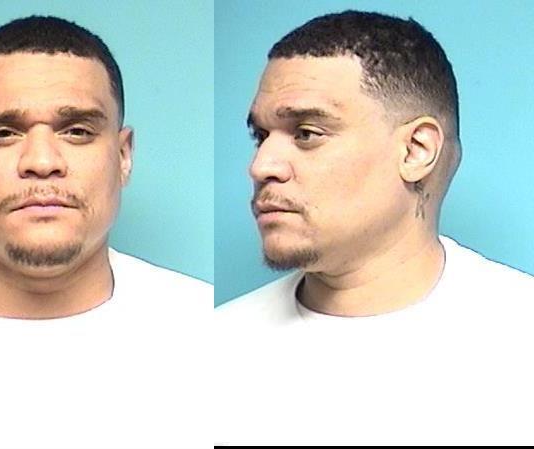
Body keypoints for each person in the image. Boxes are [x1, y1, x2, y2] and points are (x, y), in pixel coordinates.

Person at [215, 10, 534, 444]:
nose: (261, 166)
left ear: (415, 150)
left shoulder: (520, 335)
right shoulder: (211, 350)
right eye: (261, 137)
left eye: (306, 133)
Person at [0, 16, 210, 449]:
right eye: (3, 133)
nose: (42, 162)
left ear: (123, 157)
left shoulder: (214, 334)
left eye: (77, 131)